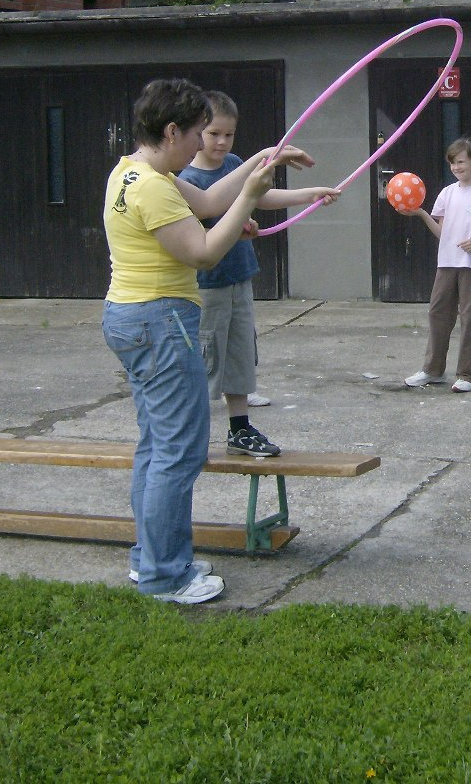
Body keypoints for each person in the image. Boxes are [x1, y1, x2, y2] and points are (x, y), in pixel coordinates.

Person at [102, 77, 311, 605]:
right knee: (178, 452)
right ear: (172, 131)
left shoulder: (133, 171)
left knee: (156, 448)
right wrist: (252, 200)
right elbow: (203, 252)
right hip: (159, 322)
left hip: (132, 316)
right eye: (197, 133)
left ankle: (149, 560)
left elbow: (214, 196)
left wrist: (262, 159)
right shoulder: (152, 186)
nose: (202, 145)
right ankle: (167, 576)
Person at [180, 91, 340, 457]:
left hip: (239, 277)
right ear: (197, 132)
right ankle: (192, 432)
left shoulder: (236, 164)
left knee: (239, 354)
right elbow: (197, 232)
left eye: (229, 135)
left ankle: (239, 428)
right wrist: (237, 227)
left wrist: (310, 194)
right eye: (213, 133)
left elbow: (260, 197)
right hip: (207, 286)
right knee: (206, 358)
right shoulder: (187, 180)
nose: (221, 142)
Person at [394, 136, 471, 393]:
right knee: (438, 313)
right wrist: (421, 213)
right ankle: (433, 370)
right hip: (447, 263)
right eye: (453, 163)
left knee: (470, 317)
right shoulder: (447, 193)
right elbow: (442, 232)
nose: (456, 168)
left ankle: (467, 374)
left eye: (461, 162)